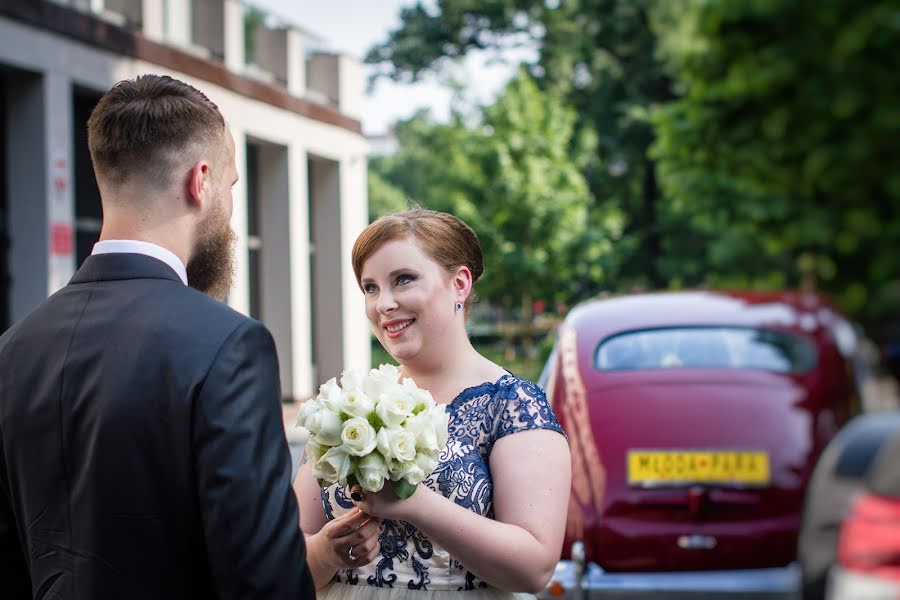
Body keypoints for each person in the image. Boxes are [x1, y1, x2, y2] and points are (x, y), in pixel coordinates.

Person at [0, 74, 315, 598]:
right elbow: (264, 581)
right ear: (201, 180)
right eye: (232, 187)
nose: (231, 209)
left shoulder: (12, 349)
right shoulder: (229, 346)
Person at [294, 209, 571, 599]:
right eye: (370, 288)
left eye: (402, 280)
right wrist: (325, 552)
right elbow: (279, 558)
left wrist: (415, 503)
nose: (383, 304)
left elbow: (535, 568)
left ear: (459, 284)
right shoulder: (347, 406)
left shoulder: (511, 405)